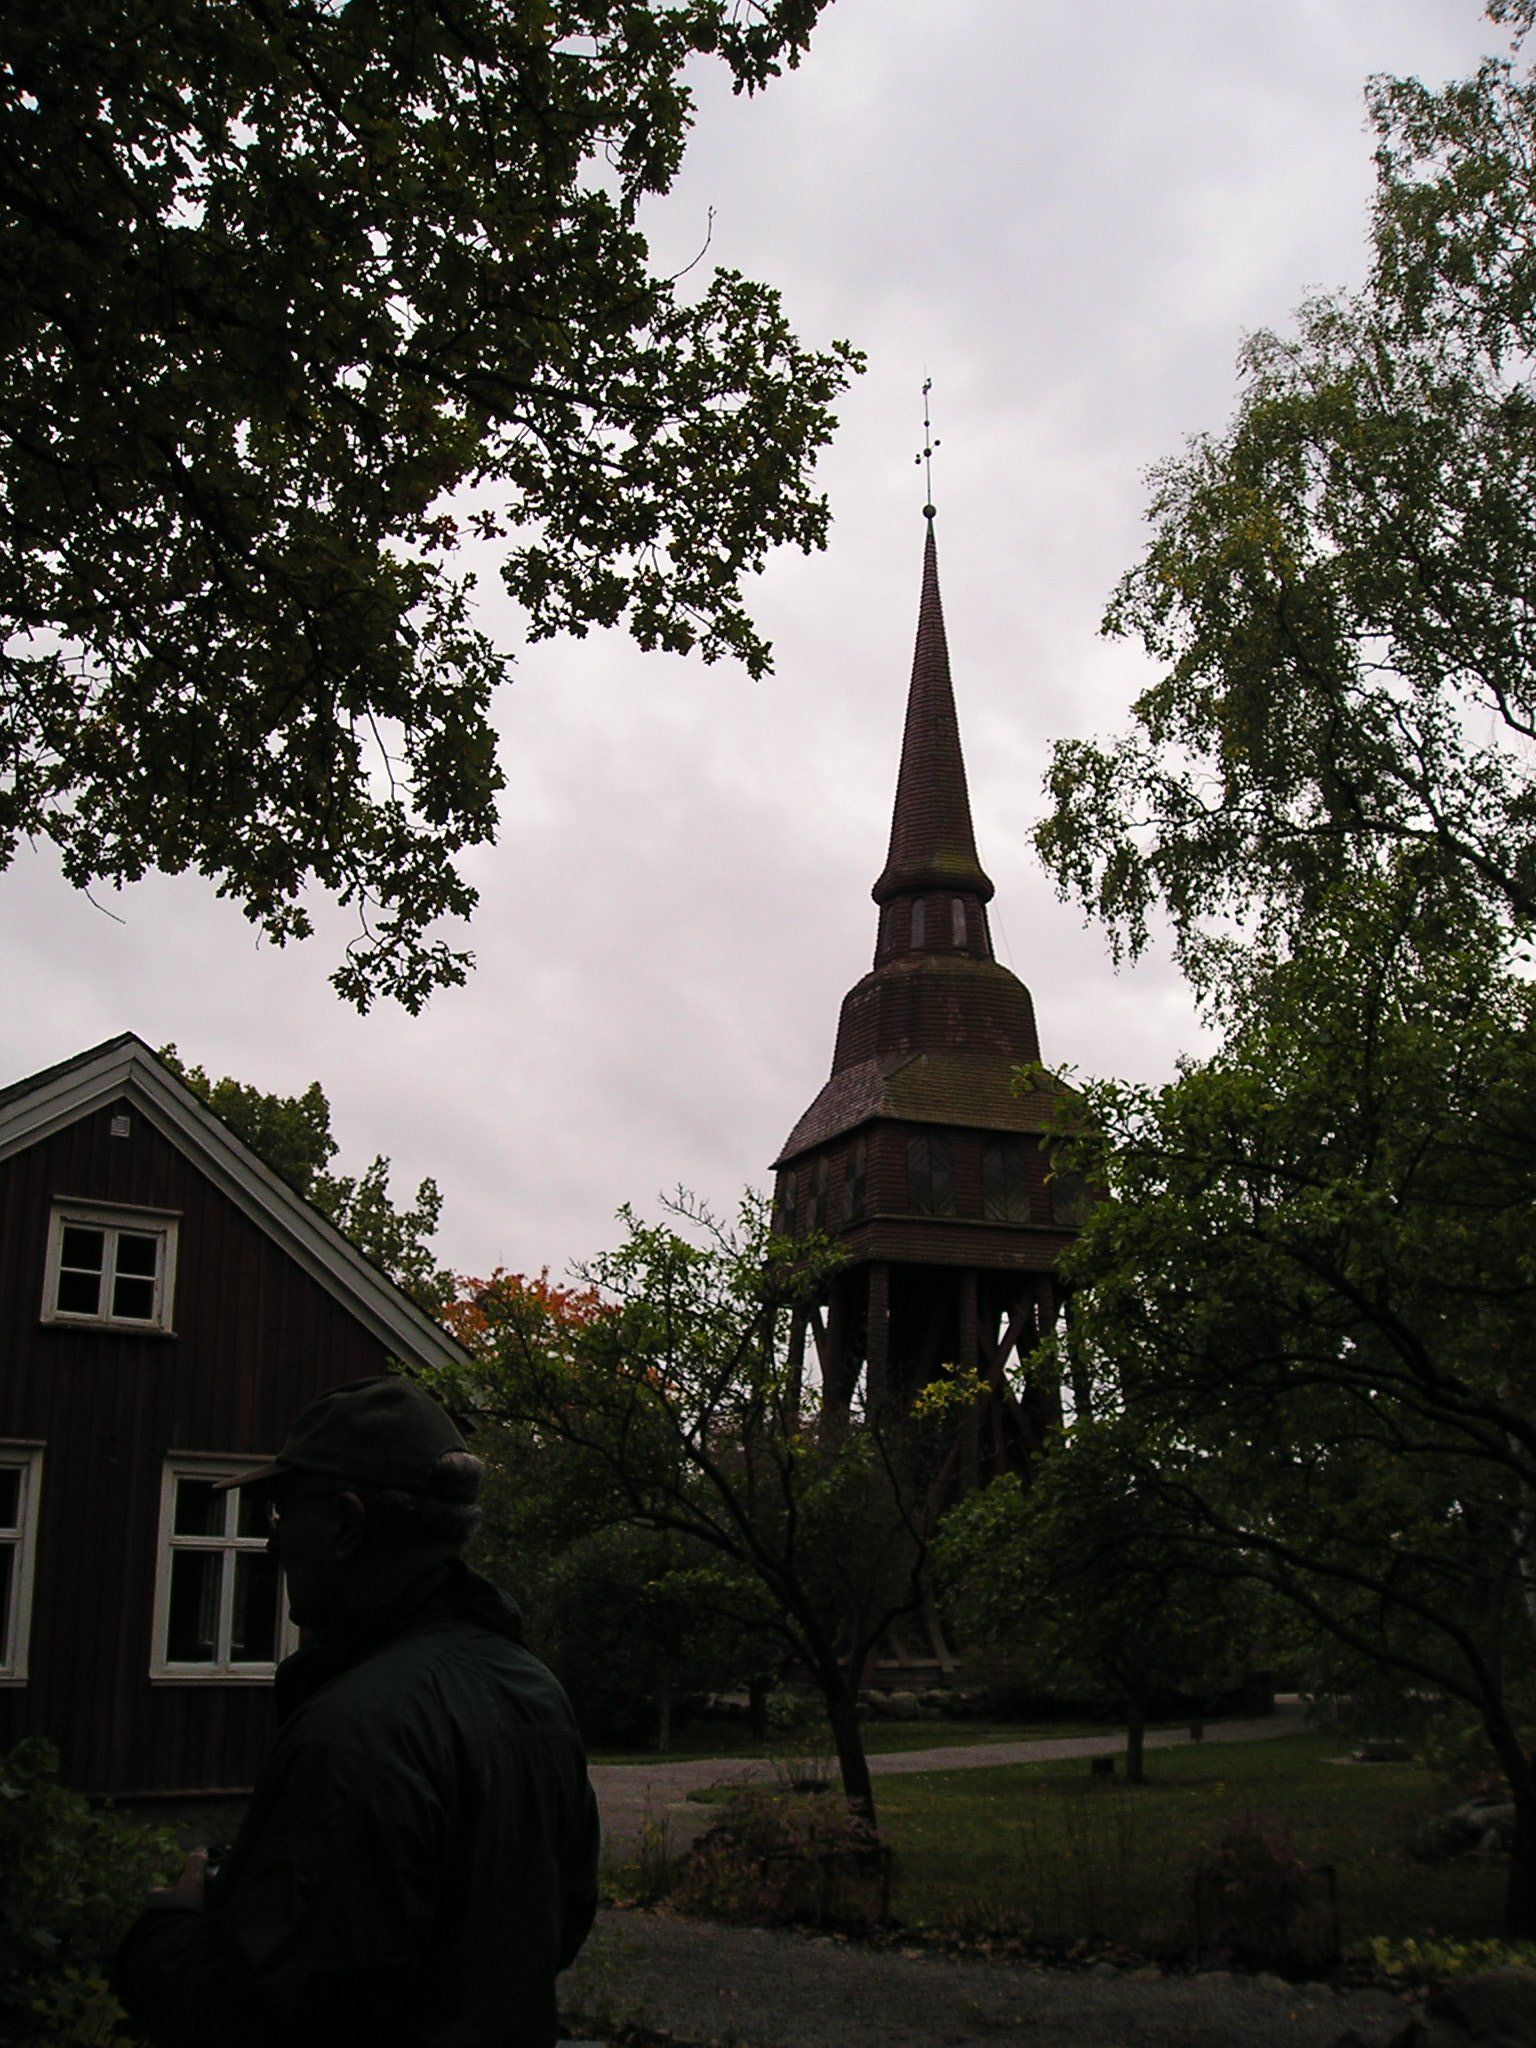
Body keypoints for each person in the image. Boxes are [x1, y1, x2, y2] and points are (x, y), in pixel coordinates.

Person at [114, 1375, 600, 2048]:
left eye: (282, 1516)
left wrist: (167, 1926)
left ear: (344, 1523)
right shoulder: (536, 1693)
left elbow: (256, 2021)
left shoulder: (352, 1736)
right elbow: (562, 1924)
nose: (270, 1547)